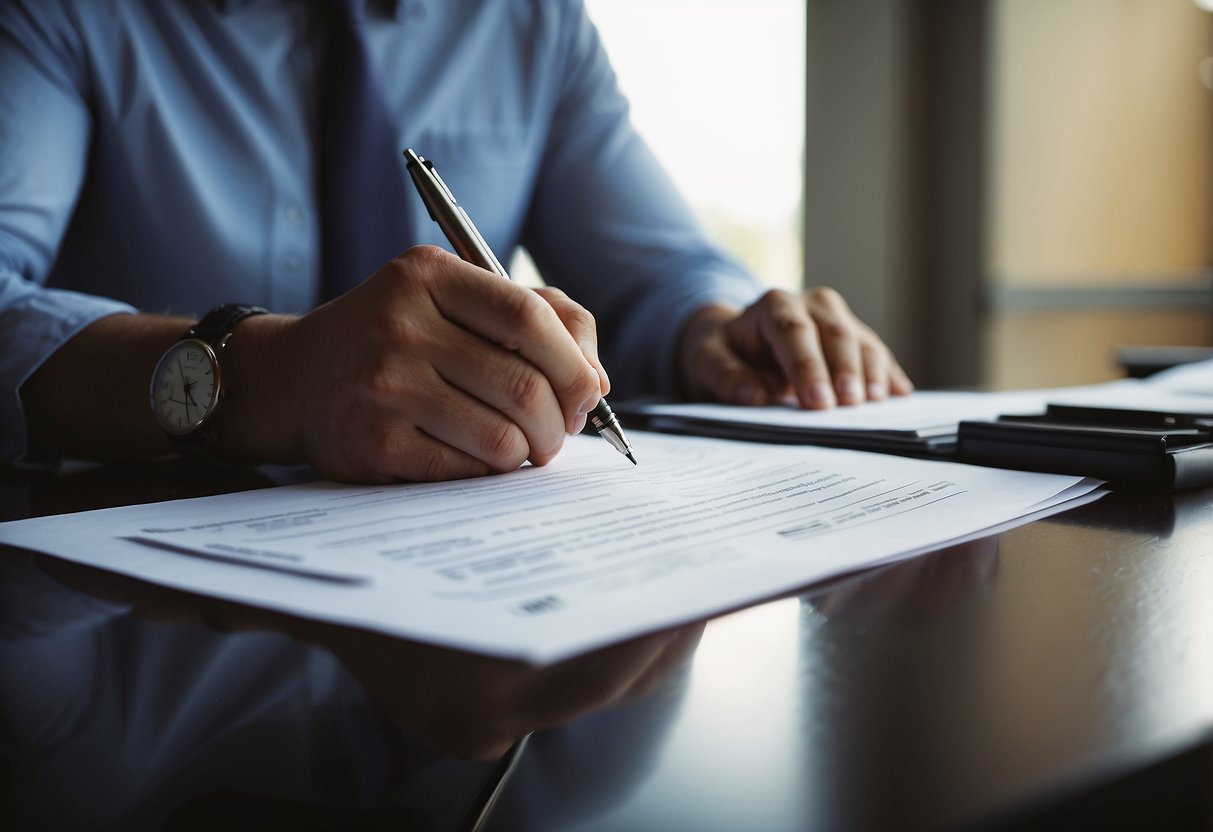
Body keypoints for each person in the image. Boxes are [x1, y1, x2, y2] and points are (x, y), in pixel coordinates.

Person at [0, 0, 912, 485]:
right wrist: (265, 375)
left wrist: (712, 326)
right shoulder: (65, 13)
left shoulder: (531, 22)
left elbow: (658, 272)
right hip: (119, 617)